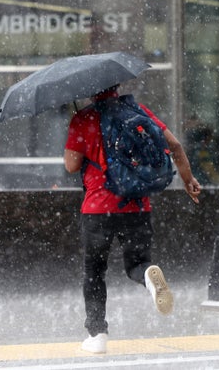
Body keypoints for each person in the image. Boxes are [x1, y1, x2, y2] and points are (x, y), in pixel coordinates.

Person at [64, 85, 201, 354]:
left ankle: (97, 334)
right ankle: (148, 277)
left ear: (91, 91)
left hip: (97, 208)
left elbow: (71, 166)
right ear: (116, 87)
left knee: (94, 272)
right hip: (136, 204)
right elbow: (174, 145)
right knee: (137, 262)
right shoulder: (138, 111)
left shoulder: (83, 119)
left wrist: (81, 134)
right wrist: (188, 180)